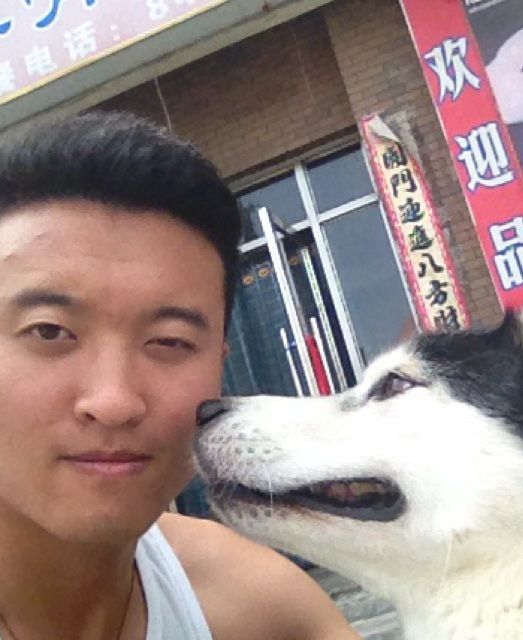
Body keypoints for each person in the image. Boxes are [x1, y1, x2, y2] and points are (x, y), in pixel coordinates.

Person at [0, 110, 361, 640]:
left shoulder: (257, 609)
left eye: (170, 341)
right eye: (50, 331)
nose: (114, 401)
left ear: (220, 363)